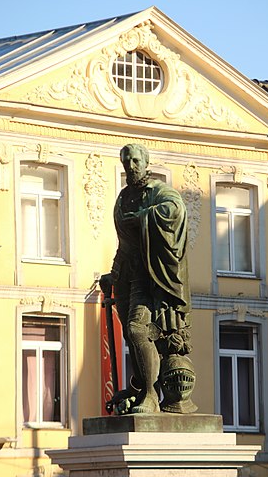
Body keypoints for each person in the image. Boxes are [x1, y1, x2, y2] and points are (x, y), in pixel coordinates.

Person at [101, 143, 195, 414]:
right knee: (131, 337)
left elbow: (175, 209)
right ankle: (141, 387)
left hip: (149, 275)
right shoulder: (122, 198)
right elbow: (124, 243)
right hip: (126, 274)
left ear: (145, 162)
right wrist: (113, 273)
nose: (130, 166)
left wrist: (144, 216)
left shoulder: (157, 191)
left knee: (138, 329)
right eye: (126, 161)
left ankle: (152, 396)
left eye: (134, 161)